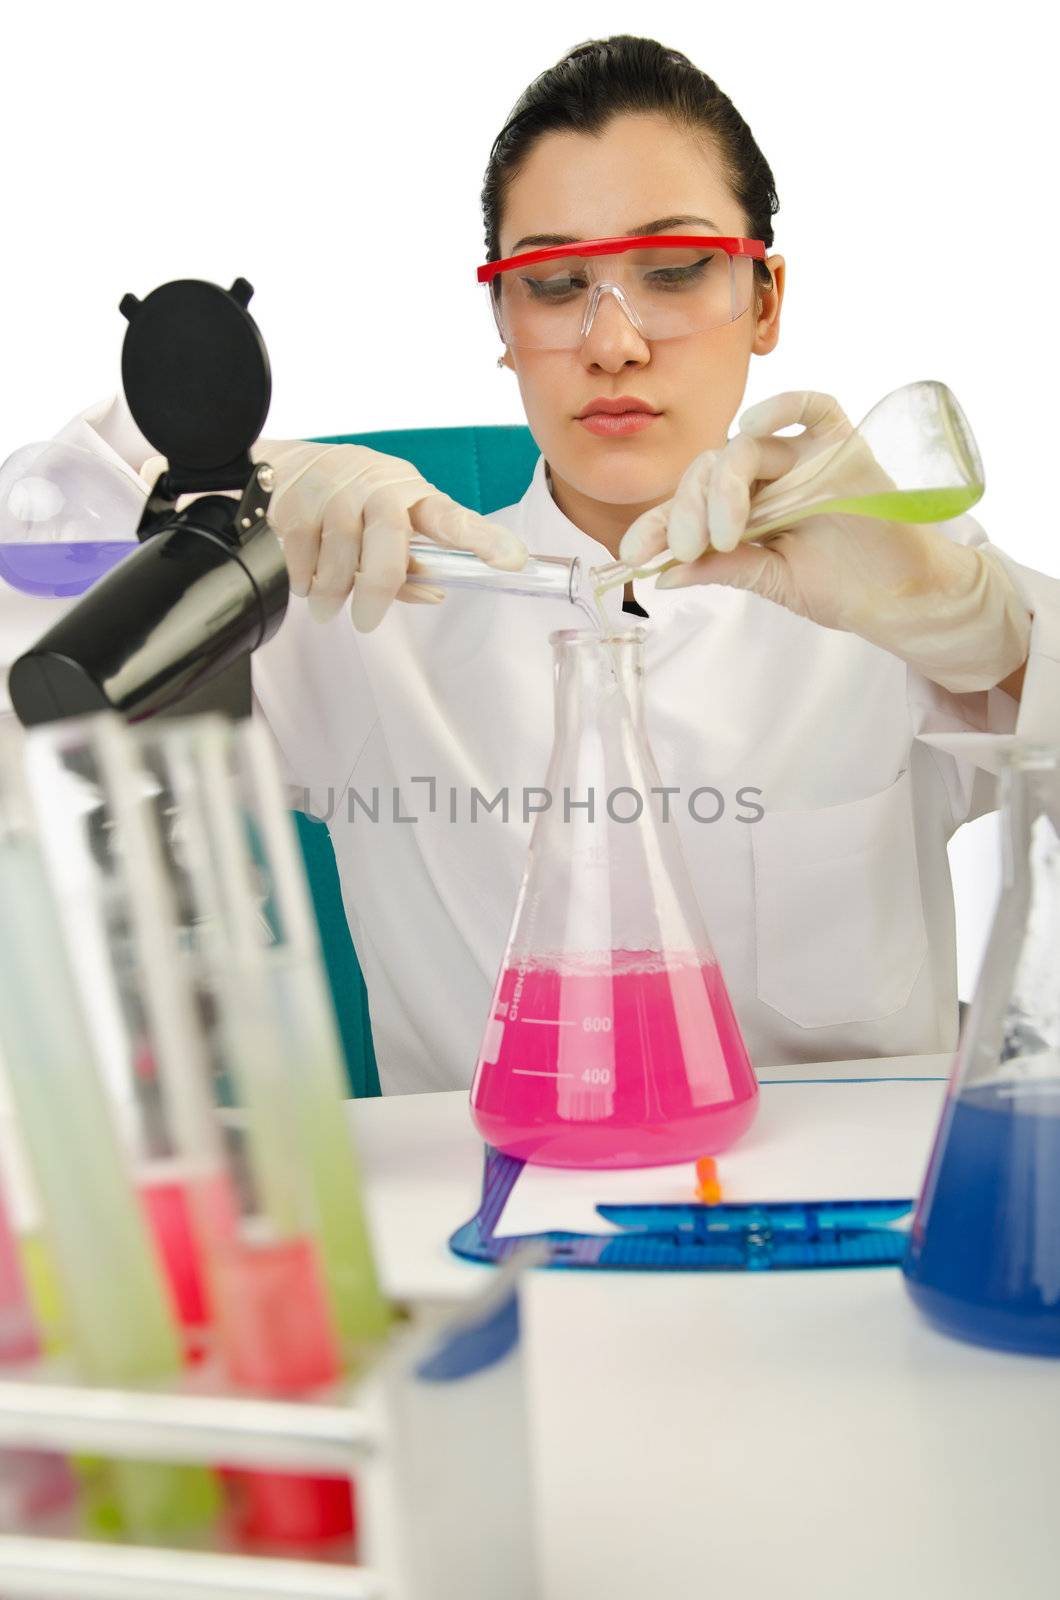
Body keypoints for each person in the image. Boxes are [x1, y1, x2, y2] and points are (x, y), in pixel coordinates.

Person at [7, 34, 1060, 1094]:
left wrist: (995, 629)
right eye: (553, 283)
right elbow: (34, 702)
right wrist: (221, 496)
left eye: (676, 269)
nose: (613, 342)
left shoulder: (895, 582)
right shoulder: (367, 608)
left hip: (855, 1233)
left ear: (766, 299)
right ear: (503, 323)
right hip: (501, 1232)